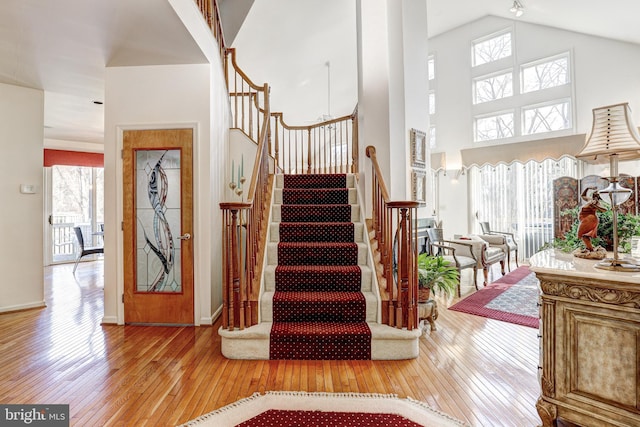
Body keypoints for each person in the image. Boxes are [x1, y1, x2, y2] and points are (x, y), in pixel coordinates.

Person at [577, 187, 607, 252]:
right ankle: (589, 248)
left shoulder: (597, 203)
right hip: (585, 218)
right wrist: (587, 188)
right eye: (595, 192)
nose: (595, 193)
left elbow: (604, 210)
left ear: (598, 196)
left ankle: (590, 250)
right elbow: (582, 195)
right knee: (585, 235)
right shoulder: (590, 199)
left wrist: (595, 206)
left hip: (590, 219)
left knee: (584, 235)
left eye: (596, 193)